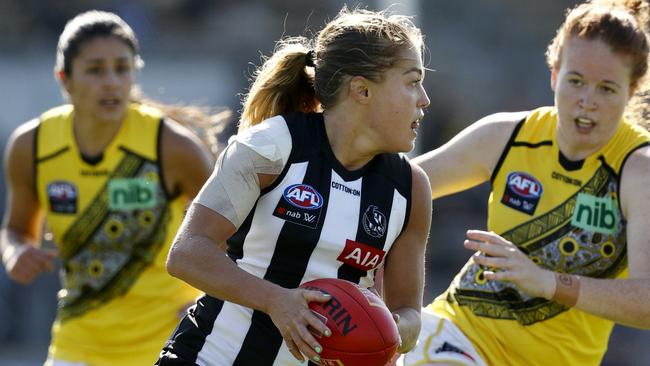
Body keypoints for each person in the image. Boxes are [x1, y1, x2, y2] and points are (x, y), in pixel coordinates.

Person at [156, 7, 432, 366]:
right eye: (412, 82)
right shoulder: (270, 147)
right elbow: (187, 253)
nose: (424, 99)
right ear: (361, 91)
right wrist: (276, 300)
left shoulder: (410, 188)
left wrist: (393, 329)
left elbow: (409, 311)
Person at [401, 0, 650, 365]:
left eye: (607, 89)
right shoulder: (509, 136)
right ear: (554, 75)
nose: (586, 101)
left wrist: (546, 282)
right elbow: (398, 188)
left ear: (631, 92)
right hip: (459, 336)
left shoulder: (638, 170)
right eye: (576, 81)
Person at [0, 10, 223, 366]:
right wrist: (16, 255)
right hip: (77, 346)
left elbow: (235, 234)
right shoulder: (33, 146)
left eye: (122, 68)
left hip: (170, 344)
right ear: (65, 80)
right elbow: (16, 230)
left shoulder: (171, 147)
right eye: (95, 70)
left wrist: (210, 299)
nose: (111, 82)